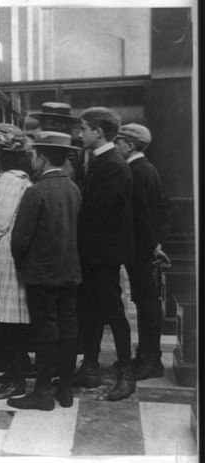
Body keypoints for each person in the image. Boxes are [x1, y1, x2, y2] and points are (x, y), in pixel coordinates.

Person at [7, 131, 82, 411]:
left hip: (41, 274)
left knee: (45, 331)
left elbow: (19, 240)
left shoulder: (35, 191)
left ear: (41, 157)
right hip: (70, 272)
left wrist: (22, 267)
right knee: (68, 328)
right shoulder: (73, 188)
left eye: (34, 154)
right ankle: (64, 389)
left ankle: (41, 392)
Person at [74, 107, 135, 401]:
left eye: (84, 128)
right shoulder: (100, 161)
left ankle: (126, 373)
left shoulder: (112, 164)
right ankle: (89, 366)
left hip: (104, 254)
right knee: (91, 311)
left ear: (98, 132)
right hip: (93, 252)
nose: (80, 134)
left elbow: (98, 212)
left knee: (112, 311)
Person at [114, 123, 171, 380]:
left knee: (147, 304)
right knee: (146, 302)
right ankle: (147, 356)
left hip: (140, 248)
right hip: (144, 246)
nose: (116, 146)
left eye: (119, 142)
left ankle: (151, 360)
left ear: (131, 145)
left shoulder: (136, 171)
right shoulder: (146, 168)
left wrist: (151, 247)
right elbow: (161, 210)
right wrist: (156, 244)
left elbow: (143, 216)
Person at [0, 123, 33, 400]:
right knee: (8, 318)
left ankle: (17, 379)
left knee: (9, 319)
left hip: (8, 254)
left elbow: (1, 222)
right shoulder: (15, 177)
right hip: (10, 251)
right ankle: (15, 371)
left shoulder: (11, 181)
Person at [26, 102, 80, 180]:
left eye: (60, 122)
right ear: (43, 122)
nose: (56, 125)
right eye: (51, 121)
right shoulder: (32, 143)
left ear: (67, 124)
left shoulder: (75, 146)